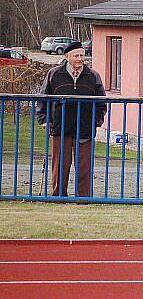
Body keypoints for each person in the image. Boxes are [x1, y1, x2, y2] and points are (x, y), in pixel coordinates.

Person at [36, 41, 106, 197]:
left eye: (82, 55)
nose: (80, 59)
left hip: (85, 128)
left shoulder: (93, 76)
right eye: (76, 56)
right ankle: (59, 196)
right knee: (60, 165)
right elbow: (43, 98)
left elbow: (102, 103)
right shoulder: (54, 74)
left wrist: (96, 122)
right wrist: (45, 120)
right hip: (60, 127)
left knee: (84, 166)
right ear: (67, 57)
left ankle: (83, 198)